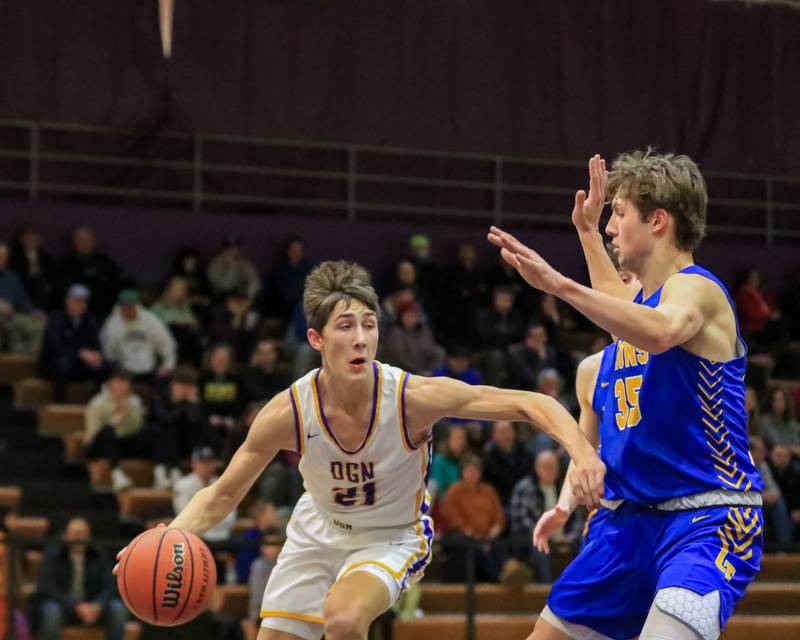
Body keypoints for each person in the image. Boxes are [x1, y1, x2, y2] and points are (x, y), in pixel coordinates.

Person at [115, 260, 604, 640]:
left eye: (369, 325)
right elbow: (222, 496)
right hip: (316, 532)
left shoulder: (411, 399)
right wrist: (163, 539)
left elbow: (531, 402)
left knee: (344, 620)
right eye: (345, 326)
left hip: (391, 536)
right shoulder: (288, 412)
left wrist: (582, 452)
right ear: (316, 339)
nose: (361, 338)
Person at [490, 151, 764, 640]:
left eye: (619, 213)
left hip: (705, 520)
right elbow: (622, 310)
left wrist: (558, 284)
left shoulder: (698, 290)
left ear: (658, 220)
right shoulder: (633, 316)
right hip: (626, 523)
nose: (612, 225)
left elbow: (658, 332)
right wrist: (587, 232)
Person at [36, 517, 127, 640]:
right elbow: (47, 588)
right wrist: (76, 606)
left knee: (118, 609)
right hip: (64, 606)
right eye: (75, 534)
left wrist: (98, 605)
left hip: (93, 607)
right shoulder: (54, 555)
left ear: (89, 536)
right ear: (66, 536)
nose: (79, 539)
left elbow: (110, 585)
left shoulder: (98, 555)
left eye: (83, 534)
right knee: (52, 612)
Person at [83, 368, 147, 492]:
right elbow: (94, 432)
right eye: (118, 382)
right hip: (98, 446)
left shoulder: (135, 401)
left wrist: (128, 413)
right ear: (110, 383)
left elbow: (137, 428)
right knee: (108, 431)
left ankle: (162, 472)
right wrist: (117, 418)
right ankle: (116, 473)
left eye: (125, 383)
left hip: (124, 442)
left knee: (149, 431)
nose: (122, 386)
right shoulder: (97, 403)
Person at [39, 283, 106, 401]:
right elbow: (57, 347)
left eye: (83, 301)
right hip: (53, 365)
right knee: (63, 364)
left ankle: (96, 405)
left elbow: (96, 344)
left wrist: (97, 355)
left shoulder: (89, 320)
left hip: (78, 366)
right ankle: (58, 405)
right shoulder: (56, 319)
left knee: (105, 365)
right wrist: (80, 353)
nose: (80, 305)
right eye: (76, 301)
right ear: (67, 301)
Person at [100, 289, 177, 381]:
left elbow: (166, 343)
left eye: (131, 306)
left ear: (137, 305)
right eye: (126, 307)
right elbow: (107, 351)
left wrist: (168, 365)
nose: (129, 310)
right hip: (124, 371)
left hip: (149, 370)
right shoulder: (112, 324)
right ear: (120, 307)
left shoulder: (151, 320)